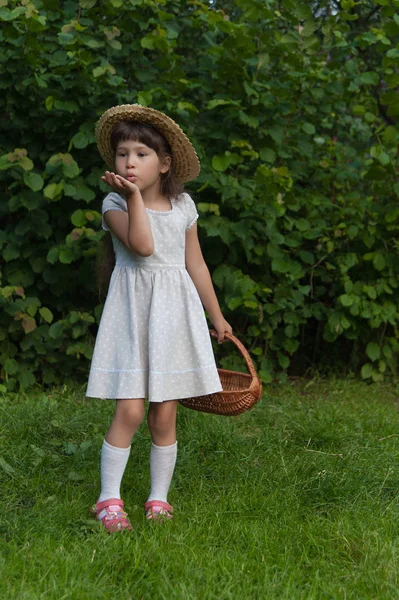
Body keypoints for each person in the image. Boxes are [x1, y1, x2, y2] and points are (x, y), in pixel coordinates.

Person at [86, 104, 232, 532]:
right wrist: (133, 197)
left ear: (165, 163)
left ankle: (158, 499)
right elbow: (143, 246)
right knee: (130, 410)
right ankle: (108, 499)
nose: (129, 162)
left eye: (141, 154)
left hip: (174, 317)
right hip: (133, 317)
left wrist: (217, 316)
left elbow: (197, 265)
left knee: (164, 414)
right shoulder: (114, 203)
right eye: (122, 154)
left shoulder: (183, 207)